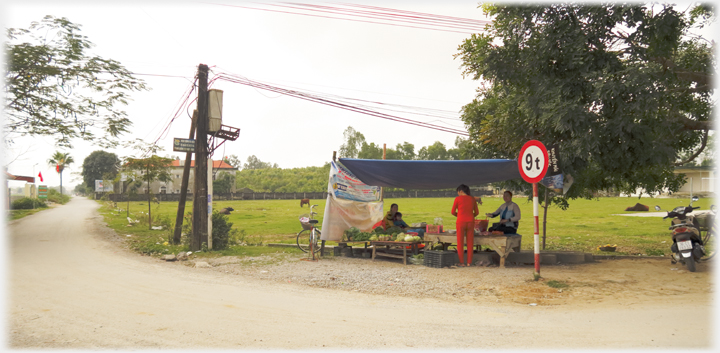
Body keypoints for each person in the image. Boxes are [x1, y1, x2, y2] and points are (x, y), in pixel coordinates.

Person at [451, 184, 479, 267]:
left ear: (461, 191)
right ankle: (469, 262)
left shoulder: (457, 199)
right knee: (470, 242)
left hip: (460, 222)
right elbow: (477, 212)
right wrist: (470, 216)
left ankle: (461, 262)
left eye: (458, 192)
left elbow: (452, 212)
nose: (458, 194)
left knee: (460, 242)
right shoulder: (472, 199)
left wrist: (459, 215)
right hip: (470, 222)